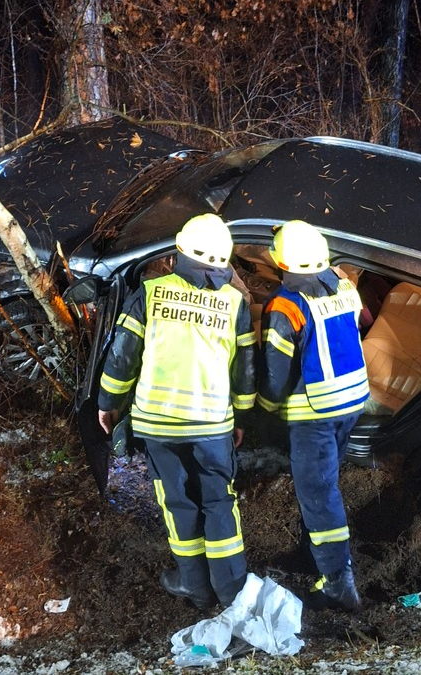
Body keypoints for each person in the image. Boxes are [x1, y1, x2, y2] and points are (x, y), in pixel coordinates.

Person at [97, 213, 257, 609]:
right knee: (219, 501)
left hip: (159, 423)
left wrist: (108, 404)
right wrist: (242, 414)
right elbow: (245, 368)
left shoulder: (150, 293)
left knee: (178, 502)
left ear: (179, 252)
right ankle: (230, 588)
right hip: (212, 425)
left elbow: (122, 357)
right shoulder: (235, 303)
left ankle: (194, 586)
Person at [257, 220, 369, 612]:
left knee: (318, 493)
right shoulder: (344, 287)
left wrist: (263, 411)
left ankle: (339, 583)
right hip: (351, 404)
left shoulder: (285, 304)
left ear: (282, 261)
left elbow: (275, 373)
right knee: (324, 483)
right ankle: (317, 558)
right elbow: (356, 329)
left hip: (314, 412)